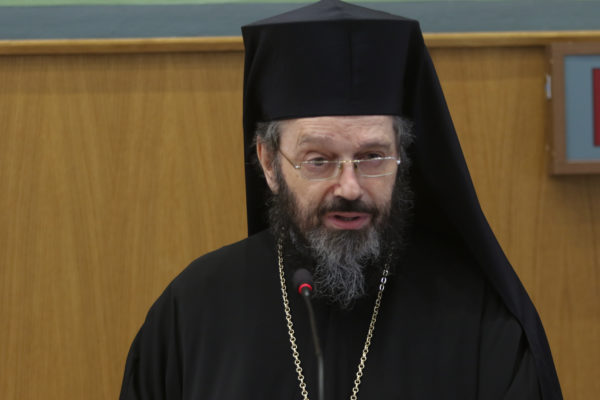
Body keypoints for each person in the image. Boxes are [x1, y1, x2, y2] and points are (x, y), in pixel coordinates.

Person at [119, 1, 562, 399]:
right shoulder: (193, 308)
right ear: (270, 163)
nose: (349, 187)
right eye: (319, 160)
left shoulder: (480, 318)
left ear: (402, 157)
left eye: (371, 157)